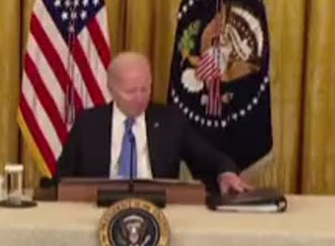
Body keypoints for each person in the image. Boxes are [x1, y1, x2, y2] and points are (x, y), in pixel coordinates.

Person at [55, 52, 250, 194]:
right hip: (99, 208)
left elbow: (208, 157)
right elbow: (62, 179)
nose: (140, 98)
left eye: (145, 89)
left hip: (158, 208)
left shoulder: (170, 121)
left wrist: (225, 173)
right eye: (131, 91)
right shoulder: (88, 124)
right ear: (112, 90)